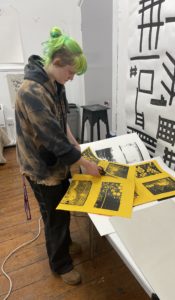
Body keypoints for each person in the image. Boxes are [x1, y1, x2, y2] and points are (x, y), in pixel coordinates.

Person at [15, 27, 100, 285]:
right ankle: (60, 265)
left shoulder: (54, 82)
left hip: (55, 160)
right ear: (57, 62)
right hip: (40, 166)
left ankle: (63, 243)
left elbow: (61, 123)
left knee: (60, 210)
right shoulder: (32, 91)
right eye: (71, 72)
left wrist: (79, 146)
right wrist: (85, 163)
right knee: (55, 215)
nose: (72, 78)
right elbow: (52, 138)